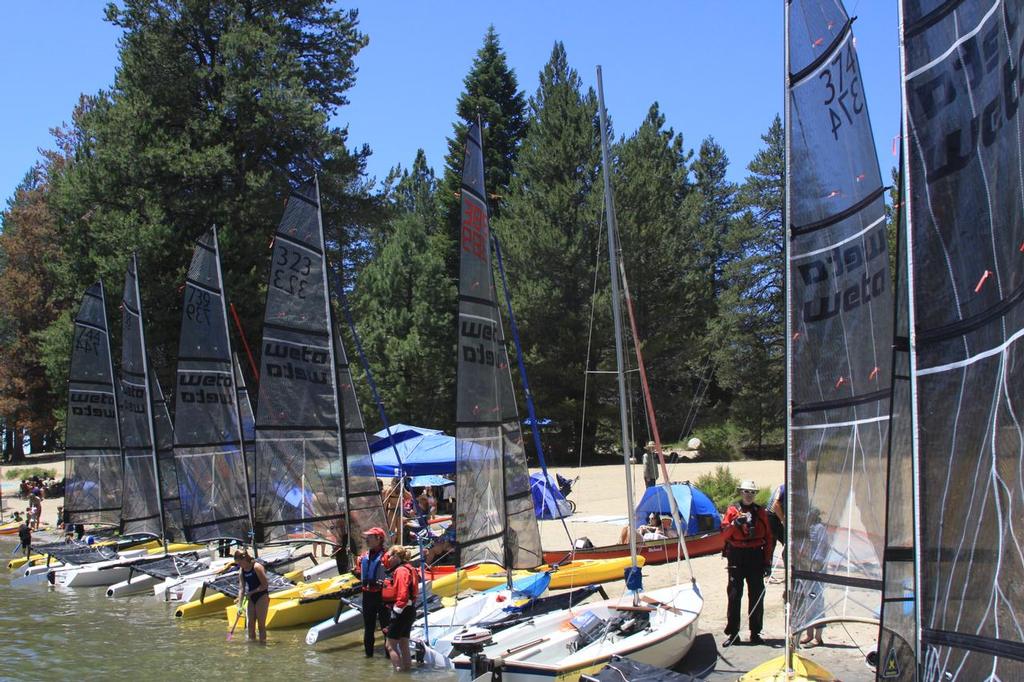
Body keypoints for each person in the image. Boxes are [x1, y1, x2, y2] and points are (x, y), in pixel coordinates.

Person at [721, 480, 774, 647]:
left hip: (755, 555)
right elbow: (723, 536)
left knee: (757, 594)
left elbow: (769, 538)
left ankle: (755, 632)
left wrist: (767, 562)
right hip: (737, 555)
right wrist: (735, 524)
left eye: (752, 492)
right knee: (735, 595)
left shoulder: (761, 512)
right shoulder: (732, 511)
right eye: (746, 491)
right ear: (740, 492)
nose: (749, 495)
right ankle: (733, 633)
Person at [381, 545, 419, 672]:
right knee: (403, 644)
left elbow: (403, 594)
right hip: (409, 610)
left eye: (390, 556)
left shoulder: (401, 571)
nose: (388, 559)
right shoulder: (408, 568)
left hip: (402, 611)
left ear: (396, 557)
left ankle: (399, 674)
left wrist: (396, 612)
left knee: (390, 645)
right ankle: (407, 672)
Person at [353, 526, 388, 657]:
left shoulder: (387, 557)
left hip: (383, 596)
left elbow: (392, 576)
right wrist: (356, 573)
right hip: (367, 595)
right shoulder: (362, 557)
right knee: (368, 629)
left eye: (370, 537)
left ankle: (389, 657)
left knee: (386, 628)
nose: (367, 540)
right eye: (366, 537)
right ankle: (368, 657)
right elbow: (360, 573)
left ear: (379, 539)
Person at [799, 508, 827, 648]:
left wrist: (816, 564)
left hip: (816, 570)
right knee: (808, 602)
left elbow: (822, 548)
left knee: (816, 601)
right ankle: (809, 633)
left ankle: (818, 636)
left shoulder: (820, 528)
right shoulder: (807, 528)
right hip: (806, 569)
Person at [234, 550, 269, 643]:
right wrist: (240, 606)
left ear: (245, 559)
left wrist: (252, 592)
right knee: (250, 624)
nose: (239, 565)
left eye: (240, 563)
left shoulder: (257, 567)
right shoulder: (242, 570)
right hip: (251, 597)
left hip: (261, 595)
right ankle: (252, 648)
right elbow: (241, 589)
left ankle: (262, 645)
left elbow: (265, 585)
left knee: (261, 625)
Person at [766, 483, 786, 583]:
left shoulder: (784, 487)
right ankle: (767, 574)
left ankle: (787, 573)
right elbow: (776, 504)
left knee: (785, 544)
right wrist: (783, 520)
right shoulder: (784, 488)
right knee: (773, 544)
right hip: (772, 517)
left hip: (774, 517)